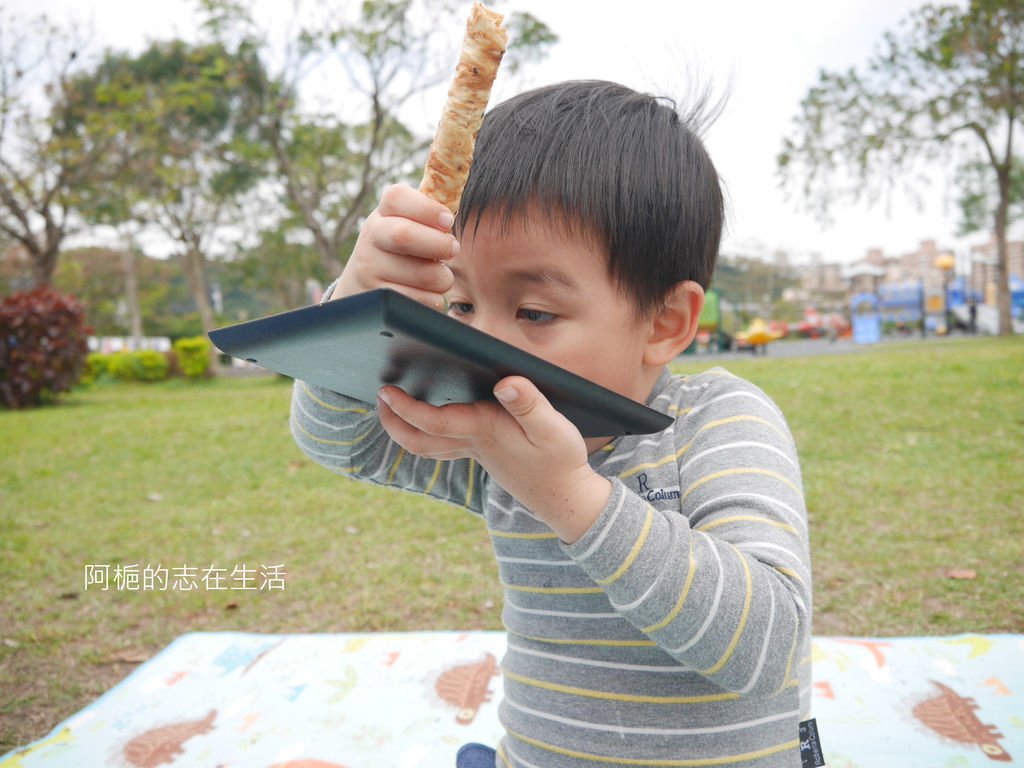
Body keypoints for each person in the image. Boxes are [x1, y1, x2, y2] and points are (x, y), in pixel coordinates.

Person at [290, 80, 812, 768]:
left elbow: (767, 649)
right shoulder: (492, 437)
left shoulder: (714, 422)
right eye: (462, 308)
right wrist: (352, 306)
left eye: (533, 313)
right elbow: (341, 440)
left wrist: (568, 494)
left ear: (665, 322)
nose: (484, 345)